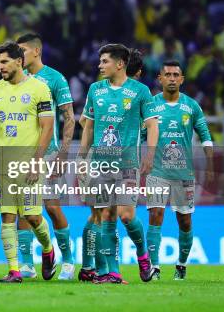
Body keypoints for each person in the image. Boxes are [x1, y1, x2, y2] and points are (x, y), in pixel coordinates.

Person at [77, 44, 159, 284]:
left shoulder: (141, 91)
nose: (100, 65)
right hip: (101, 165)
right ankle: (112, 272)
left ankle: (143, 256)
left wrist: (150, 155)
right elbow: (89, 126)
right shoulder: (95, 90)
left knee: (125, 215)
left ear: (120, 64)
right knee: (106, 215)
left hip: (128, 164)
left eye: (104, 61)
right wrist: (82, 159)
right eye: (100, 61)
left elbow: (153, 125)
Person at [0, 41, 56, 283]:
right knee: (7, 217)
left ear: (19, 61)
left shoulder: (39, 89)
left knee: (33, 218)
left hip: (30, 162)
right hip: (3, 162)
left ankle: (47, 249)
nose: (0, 66)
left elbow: (47, 127)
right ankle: (14, 270)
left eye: (4, 62)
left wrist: (37, 161)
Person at [147, 60, 214, 280]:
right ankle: (154, 268)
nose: (172, 78)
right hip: (157, 171)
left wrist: (211, 165)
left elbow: (205, 135)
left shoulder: (192, 106)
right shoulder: (150, 106)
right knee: (155, 215)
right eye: (168, 74)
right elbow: (139, 134)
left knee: (184, 221)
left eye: (176, 74)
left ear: (182, 79)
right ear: (160, 79)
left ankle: (181, 265)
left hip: (184, 174)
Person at [16, 33, 76, 280]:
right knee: (23, 211)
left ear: (36, 51)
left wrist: (63, 154)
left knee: (51, 207)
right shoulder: (14, 78)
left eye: (23, 51)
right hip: (19, 154)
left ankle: (69, 261)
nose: (19, 57)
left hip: (49, 154)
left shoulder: (54, 78)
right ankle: (27, 264)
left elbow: (69, 117)